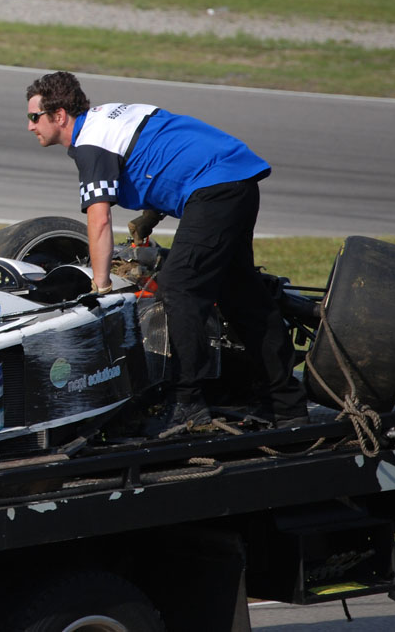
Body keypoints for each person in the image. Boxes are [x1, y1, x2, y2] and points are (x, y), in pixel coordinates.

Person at [24, 70, 307, 434]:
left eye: (34, 117)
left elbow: (99, 222)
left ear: (59, 114)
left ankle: (188, 403)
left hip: (215, 187)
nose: (30, 126)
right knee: (242, 296)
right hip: (235, 178)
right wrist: (150, 216)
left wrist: (101, 287)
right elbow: (167, 150)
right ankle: (287, 407)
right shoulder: (109, 117)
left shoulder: (90, 144)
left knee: (178, 289)